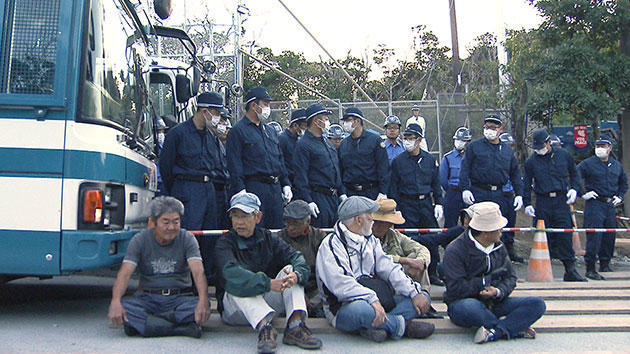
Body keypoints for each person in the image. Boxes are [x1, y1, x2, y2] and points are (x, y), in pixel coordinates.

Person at [316, 196, 435, 342]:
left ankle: (373, 327)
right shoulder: (330, 245)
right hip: (344, 307)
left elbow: (389, 268)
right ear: (359, 220)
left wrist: (415, 292)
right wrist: (372, 300)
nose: (373, 219)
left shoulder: (370, 240)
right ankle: (403, 327)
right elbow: (341, 286)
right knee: (363, 310)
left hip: (377, 299)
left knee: (420, 299)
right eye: (370, 216)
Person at [214, 192, 322, 353]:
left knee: (291, 271)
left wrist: (297, 275)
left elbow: (296, 257)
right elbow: (231, 274)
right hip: (235, 310)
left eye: (245, 216)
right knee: (236, 283)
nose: (239, 222)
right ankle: (265, 329)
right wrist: (268, 283)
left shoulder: (268, 238)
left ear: (257, 217)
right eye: (235, 216)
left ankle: (295, 325)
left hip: (264, 301)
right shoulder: (224, 243)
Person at [442, 201, 546, 344]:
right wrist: (484, 283)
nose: (501, 232)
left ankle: (496, 331)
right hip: (463, 304)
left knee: (537, 304)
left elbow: (511, 277)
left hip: (495, 302)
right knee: (470, 307)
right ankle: (511, 327)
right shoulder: (455, 250)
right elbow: (455, 289)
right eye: (498, 229)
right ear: (485, 233)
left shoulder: (499, 247)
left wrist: (497, 291)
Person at [107, 196, 210, 338]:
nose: (171, 227)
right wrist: (115, 301)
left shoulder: (187, 238)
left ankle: (148, 326)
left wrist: (203, 300)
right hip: (148, 298)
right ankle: (180, 328)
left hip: (179, 298)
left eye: (176, 222)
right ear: (154, 222)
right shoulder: (140, 240)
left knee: (201, 306)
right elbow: (125, 273)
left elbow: (198, 272)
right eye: (165, 222)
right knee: (126, 308)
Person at [523, 129, 586, 281]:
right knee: (544, 236)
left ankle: (570, 270)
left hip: (561, 200)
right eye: (536, 148)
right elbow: (526, 183)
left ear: (548, 142)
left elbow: (574, 174)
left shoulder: (563, 155)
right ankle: (543, 272)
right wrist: (527, 203)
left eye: (541, 146)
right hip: (543, 201)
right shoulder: (531, 161)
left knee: (565, 234)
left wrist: (575, 189)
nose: (539, 150)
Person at [226, 86, 293, 229]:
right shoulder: (238, 131)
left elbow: (279, 159)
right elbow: (234, 163)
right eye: (265, 104)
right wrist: (240, 190)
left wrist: (286, 183)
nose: (268, 108)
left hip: (274, 189)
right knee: (256, 231)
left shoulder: (270, 131)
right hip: (254, 187)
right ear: (253, 105)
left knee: (276, 231)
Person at [389, 123, 445, 285]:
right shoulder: (398, 161)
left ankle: (432, 272)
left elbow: (436, 184)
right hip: (407, 204)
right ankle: (408, 274)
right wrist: (396, 208)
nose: (407, 141)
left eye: (411, 138)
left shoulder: (429, 160)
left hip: (426, 203)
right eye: (405, 138)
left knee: (431, 237)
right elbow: (394, 187)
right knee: (407, 238)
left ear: (419, 140)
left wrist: (439, 203)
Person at [159, 91, 224, 231]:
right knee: (189, 235)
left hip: (209, 191)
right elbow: (165, 168)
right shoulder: (177, 134)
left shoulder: (211, 137)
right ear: (205, 111)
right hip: (187, 190)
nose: (218, 117)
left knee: (210, 235)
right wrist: (179, 189)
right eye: (217, 113)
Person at [577, 135, 628, 280]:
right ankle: (590, 268)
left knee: (609, 236)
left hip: (610, 204)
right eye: (598, 146)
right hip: (595, 204)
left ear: (610, 148)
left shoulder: (616, 165)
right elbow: (574, 176)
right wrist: (583, 193)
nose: (600, 149)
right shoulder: (587, 164)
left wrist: (620, 196)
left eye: (603, 146)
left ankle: (605, 264)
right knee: (594, 235)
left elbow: (624, 183)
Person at [459, 114, 524, 222]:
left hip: (498, 194)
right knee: (478, 225)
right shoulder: (474, 147)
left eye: (493, 128)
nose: (489, 130)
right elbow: (465, 169)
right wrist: (465, 189)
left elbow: (515, 174)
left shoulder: (506, 151)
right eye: (487, 127)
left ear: (500, 129)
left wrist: (519, 194)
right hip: (478, 192)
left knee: (496, 225)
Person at [293, 103, 346, 227]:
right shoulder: (304, 145)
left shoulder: (326, 142)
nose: (328, 122)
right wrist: (309, 200)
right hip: (318, 197)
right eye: (325, 119)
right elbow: (301, 176)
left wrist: (342, 193)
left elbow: (336, 170)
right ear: (316, 121)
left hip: (333, 198)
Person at [276, 200, 327, 317]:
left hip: (315, 288)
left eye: (295, 223)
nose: (290, 228)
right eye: (287, 223)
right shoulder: (278, 238)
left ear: (308, 221)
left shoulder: (319, 237)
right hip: (287, 287)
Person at [371, 199, 431, 290]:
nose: (376, 226)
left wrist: (421, 262)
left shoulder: (395, 236)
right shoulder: (365, 238)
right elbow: (377, 258)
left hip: (398, 277)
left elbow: (422, 249)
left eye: (381, 222)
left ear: (389, 224)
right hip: (376, 278)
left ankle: (424, 295)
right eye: (375, 222)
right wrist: (405, 260)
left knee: (417, 260)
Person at [338, 107, 390, 199]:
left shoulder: (374, 140)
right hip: (350, 192)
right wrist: (342, 192)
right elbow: (340, 170)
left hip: (371, 191)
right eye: (344, 121)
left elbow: (383, 167)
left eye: (348, 120)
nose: (345, 124)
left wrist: (383, 191)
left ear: (357, 121)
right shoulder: (343, 144)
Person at [498, 132, 524, 263]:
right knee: (499, 224)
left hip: (510, 196)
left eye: (511, 145)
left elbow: (516, 177)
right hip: (499, 195)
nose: (509, 147)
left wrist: (519, 194)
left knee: (510, 223)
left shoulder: (511, 159)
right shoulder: (496, 159)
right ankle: (500, 253)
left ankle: (510, 249)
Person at [440, 126, 472, 227]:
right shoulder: (447, 158)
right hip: (452, 193)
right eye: (457, 139)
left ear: (468, 142)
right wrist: (451, 190)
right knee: (450, 224)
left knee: (469, 225)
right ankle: (447, 243)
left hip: (469, 194)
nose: (459, 142)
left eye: (462, 140)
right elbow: (443, 179)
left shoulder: (472, 158)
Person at [213, 111, 232, 230]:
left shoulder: (228, 146)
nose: (223, 126)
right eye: (221, 121)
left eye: (224, 122)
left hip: (225, 191)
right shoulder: (209, 141)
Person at [278, 109, 307, 184]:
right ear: (295, 125)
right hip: (287, 182)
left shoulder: (298, 140)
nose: (306, 129)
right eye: (304, 126)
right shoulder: (283, 139)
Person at [154, 117, 168, 196]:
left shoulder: (167, 145)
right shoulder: (147, 145)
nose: (160, 134)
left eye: (162, 131)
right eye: (157, 131)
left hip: (162, 182)